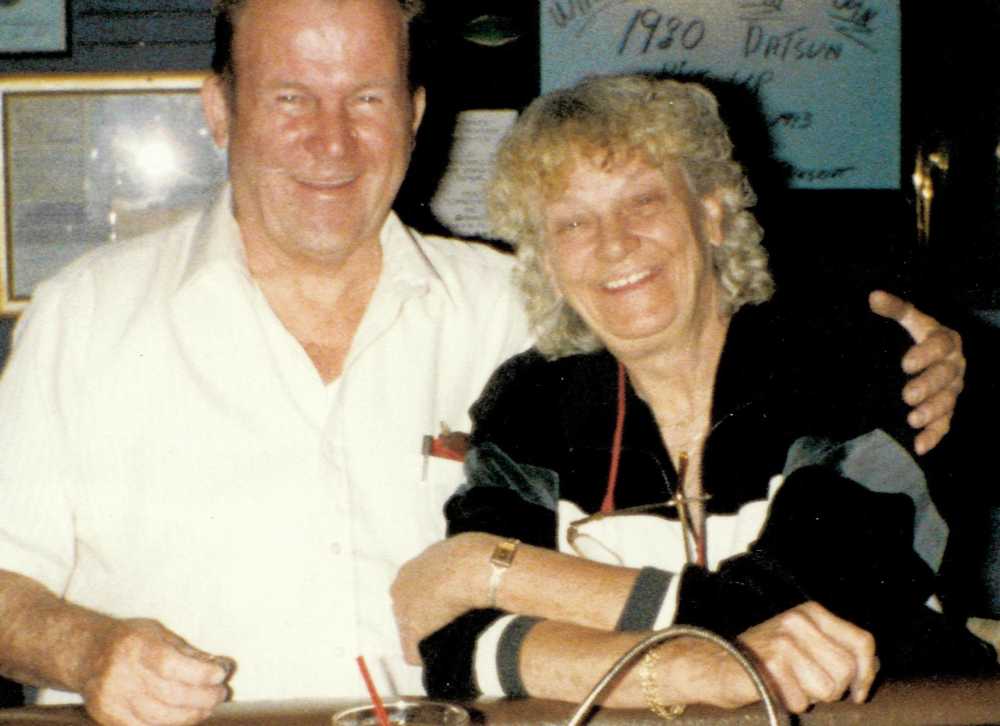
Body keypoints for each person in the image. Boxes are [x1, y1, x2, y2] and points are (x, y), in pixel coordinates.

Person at [0, 1, 966, 724]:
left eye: (368, 98)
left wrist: (926, 360)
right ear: (218, 109)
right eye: (291, 97)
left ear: (417, 112)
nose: (332, 140)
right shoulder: (87, 317)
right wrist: (89, 652)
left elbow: (730, 345)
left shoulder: (520, 312)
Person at [389, 74, 997, 716]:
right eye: (573, 222)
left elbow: (795, 606)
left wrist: (490, 570)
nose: (613, 242)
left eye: (643, 201)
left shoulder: (845, 359)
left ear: (711, 214)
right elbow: (457, 649)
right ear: (548, 262)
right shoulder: (531, 400)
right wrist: (686, 672)